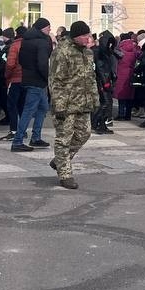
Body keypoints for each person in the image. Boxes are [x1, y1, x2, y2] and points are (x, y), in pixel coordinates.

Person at [47, 20, 99, 189]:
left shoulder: (88, 53)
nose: (88, 38)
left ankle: (60, 160)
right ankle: (65, 174)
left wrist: (95, 99)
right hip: (66, 104)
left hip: (83, 103)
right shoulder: (62, 52)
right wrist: (59, 105)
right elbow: (55, 81)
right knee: (64, 139)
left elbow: (91, 79)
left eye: (89, 35)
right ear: (76, 36)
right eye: (85, 35)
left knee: (84, 134)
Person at [10, 17, 53, 151]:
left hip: (28, 78)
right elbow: (42, 63)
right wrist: (47, 77)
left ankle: (36, 138)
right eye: (48, 28)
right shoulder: (42, 42)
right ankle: (17, 141)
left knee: (43, 108)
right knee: (28, 111)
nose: (50, 30)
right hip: (37, 81)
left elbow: (21, 60)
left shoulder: (26, 40)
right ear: (41, 29)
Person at [92, 30, 118, 135]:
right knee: (104, 103)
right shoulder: (100, 53)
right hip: (102, 82)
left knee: (105, 103)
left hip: (105, 80)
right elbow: (101, 69)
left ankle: (101, 124)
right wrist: (105, 82)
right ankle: (97, 123)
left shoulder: (106, 52)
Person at [114, 33, 140, 121]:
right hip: (130, 74)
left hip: (121, 75)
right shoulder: (135, 51)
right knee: (129, 96)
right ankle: (128, 115)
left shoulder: (120, 51)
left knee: (121, 97)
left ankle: (121, 114)